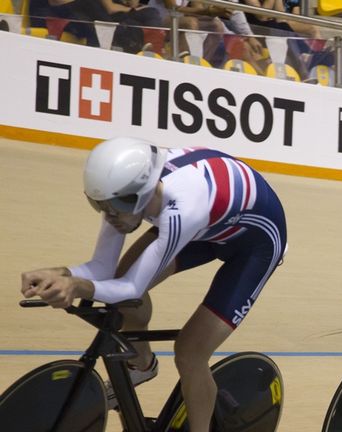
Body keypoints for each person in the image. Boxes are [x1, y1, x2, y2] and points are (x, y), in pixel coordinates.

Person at [20, 137, 287, 432]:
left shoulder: (182, 208)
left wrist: (76, 287)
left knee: (189, 352)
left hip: (255, 243)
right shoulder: (123, 196)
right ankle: (142, 364)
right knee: (116, 289)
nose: (110, 216)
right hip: (211, 226)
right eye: (100, 205)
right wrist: (59, 272)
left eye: (116, 207)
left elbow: (133, 287)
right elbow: (102, 268)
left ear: (143, 194)